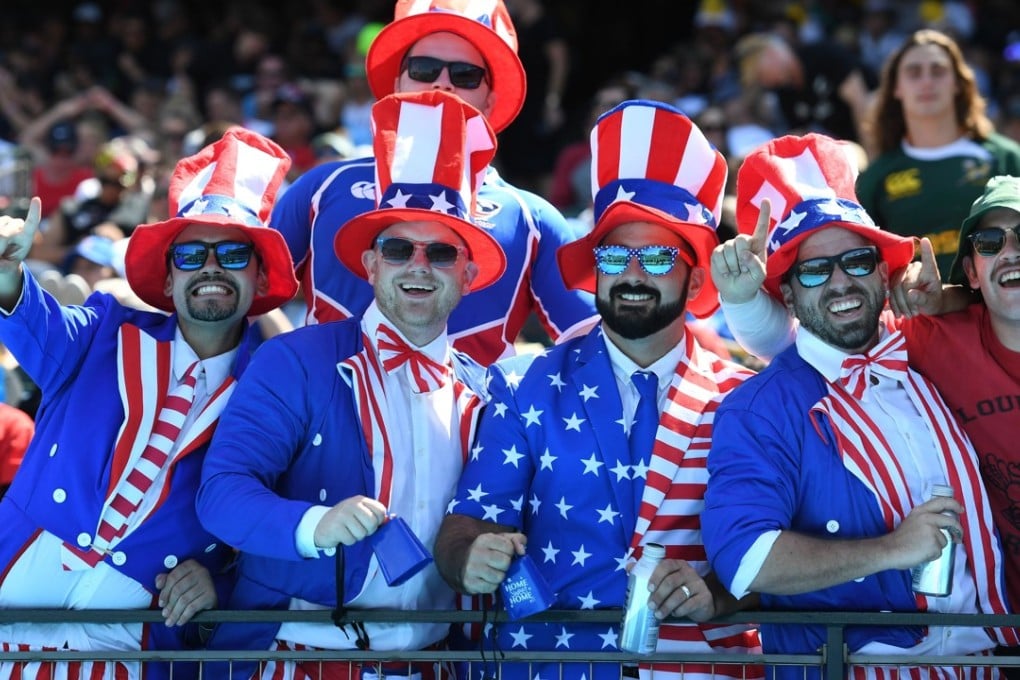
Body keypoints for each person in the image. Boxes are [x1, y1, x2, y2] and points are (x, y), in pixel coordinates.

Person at [434, 99, 763, 680]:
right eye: (615, 253)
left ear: (694, 282)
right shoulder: (522, 384)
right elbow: (465, 530)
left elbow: (776, 561)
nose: (633, 273)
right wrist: (470, 559)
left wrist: (716, 592)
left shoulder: (745, 399)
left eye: (659, 255)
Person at [196, 90, 507, 680]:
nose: (418, 265)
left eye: (441, 252)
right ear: (370, 266)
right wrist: (313, 526)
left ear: (467, 277)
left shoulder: (485, 389)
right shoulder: (296, 359)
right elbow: (222, 492)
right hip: (299, 657)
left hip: (438, 666)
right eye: (398, 248)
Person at [700, 132, 1017, 680]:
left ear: (883, 270)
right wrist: (892, 549)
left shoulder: (923, 356)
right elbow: (743, 558)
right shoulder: (759, 408)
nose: (841, 281)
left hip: (983, 665)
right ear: (789, 293)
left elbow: (996, 305)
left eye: (857, 259)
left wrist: (947, 296)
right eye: (815, 270)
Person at [0, 126, 299, 677]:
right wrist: (7, 277)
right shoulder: (105, 332)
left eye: (234, 252)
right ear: (167, 272)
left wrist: (221, 578)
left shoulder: (281, 388)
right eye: (191, 253)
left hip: (131, 648)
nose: (211, 266)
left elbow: (275, 523)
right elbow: (38, 329)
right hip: (11, 600)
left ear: (260, 276)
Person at [270, 0, 597, 367]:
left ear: (489, 101)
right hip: (326, 422)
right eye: (424, 69)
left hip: (471, 423)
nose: (442, 83)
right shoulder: (321, 188)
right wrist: (284, 369)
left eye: (465, 75)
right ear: (397, 82)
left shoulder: (532, 219)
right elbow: (243, 299)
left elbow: (592, 344)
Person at [856, 28, 1020, 280]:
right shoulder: (875, 178)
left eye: (938, 70)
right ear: (896, 88)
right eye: (914, 72)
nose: (927, 81)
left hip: (1003, 313)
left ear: (958, 83)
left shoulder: (1005, 157)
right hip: (918, 317)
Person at [733, 32, 874, 144]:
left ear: (772, 55)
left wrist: (872, 154)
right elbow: (799, 136)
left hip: (879, 125)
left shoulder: (822, 55)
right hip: (850, 146)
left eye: (760, 75)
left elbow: (860, 102)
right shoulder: (785, 95)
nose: (764, 83)